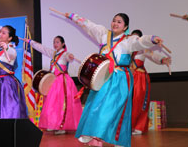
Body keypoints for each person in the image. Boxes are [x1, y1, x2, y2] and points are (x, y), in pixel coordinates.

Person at [59, 12, 164, 147]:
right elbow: (89, 25)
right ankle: (93, 134)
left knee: (113, 108)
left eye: (119, 22)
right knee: (94, 104)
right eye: (114, 20)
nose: (115, 23)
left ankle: (114, 138)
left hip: (119, 79)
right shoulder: (104, 35)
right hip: (103, 78)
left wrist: (152, 39)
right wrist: (73, 17)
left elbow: (141, 42)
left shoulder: (128, 41)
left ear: (125, 27)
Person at [21, 36, 83, 135]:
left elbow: (68, 57)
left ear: (63, 44)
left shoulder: (64, 54)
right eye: (54, 42)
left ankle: (62, 126)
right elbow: (42, 48)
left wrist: (70, 55)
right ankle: (53, 124)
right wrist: (30, 41)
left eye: (58, 42)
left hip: (63, 81)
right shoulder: (53, 53)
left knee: (62, 104)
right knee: (52, 104)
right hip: (54, 81)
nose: (55, 44)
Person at [130, 29, 171, 135]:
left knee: (138, 102)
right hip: (128, 77)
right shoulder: (127, 49)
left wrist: (162, 59)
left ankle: (138, 127)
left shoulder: (143, 49)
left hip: (139, 78)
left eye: (137, 38)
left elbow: (153, 55)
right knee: (127, 103)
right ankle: (127, 126)